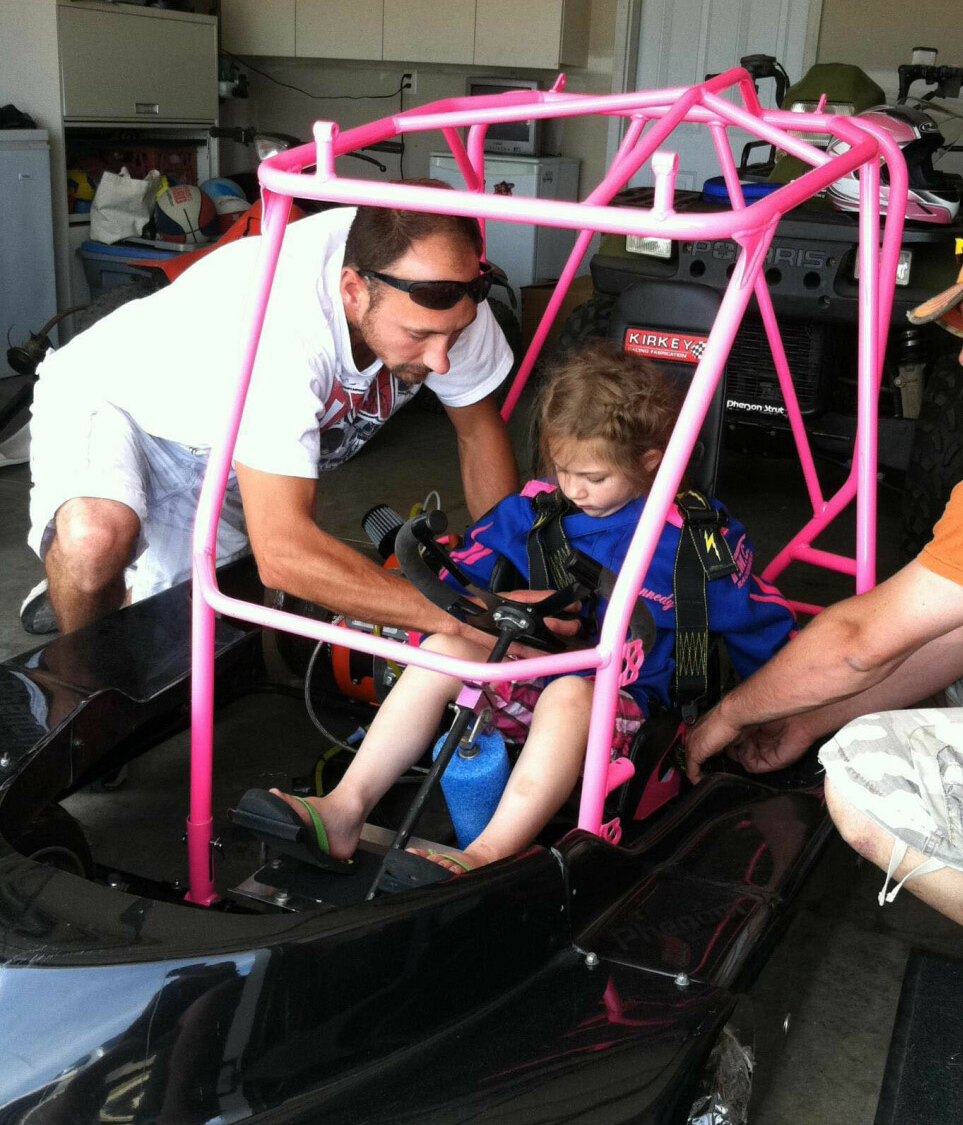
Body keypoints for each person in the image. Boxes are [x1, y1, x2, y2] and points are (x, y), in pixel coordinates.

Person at [684, 188, 963, 1125]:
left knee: (862, 782)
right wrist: (815, 709)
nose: (960, 344)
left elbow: (863, 637)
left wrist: (733, 714)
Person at [263, 342, 795, 878]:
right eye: (564, 470)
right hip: (535, 670)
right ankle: (344, 808)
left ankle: (486, 855)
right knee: (445, 649)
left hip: (630, 708)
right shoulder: (540, 511)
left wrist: (767, 716)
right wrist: (491, 604)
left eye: (594, 478)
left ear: (649, 462)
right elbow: (461, 568)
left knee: (567, 694)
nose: (575, 490)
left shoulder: (693, 545)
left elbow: (761, 627)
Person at [23, 181, 519, 637]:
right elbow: (283, 554)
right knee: (94, 544)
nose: (441, 359)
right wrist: (459, 616)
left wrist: (506, 579)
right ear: (353, 291)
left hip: (227, 445)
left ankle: (106, 587)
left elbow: (477, 433)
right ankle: (85, 667)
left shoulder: (447, 294)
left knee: (186, 631)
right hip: (118, 397)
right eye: (418, 336)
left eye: (453, 335)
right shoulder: (281, 321)